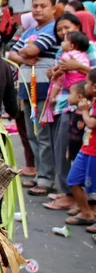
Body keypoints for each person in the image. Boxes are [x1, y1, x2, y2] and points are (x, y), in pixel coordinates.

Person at [43, 13, 96, 210]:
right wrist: (53, 74)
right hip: (61, 104)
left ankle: (74, 195)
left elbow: (93, 75)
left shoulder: (89, 48)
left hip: (79, 106)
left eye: (67, 28)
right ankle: (68, 191)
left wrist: (78, 66)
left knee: (70, 148)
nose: (63, 33)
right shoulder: (62, 51)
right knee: (60, 147)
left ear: (78, 26)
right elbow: (57, 76)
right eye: (60, 30)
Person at [9, 0, 59, 196]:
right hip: (27, 89)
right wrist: (22, 55)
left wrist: (22, 54)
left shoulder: (54, 28)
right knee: (32, 134)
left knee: (44, 135)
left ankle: (47, 178)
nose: (38, 9)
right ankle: (40, 173)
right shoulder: (30, 31)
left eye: (43, 6)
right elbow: (11, 53)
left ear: (53, 9)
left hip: (44, 89)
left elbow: (31, 51)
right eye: (35, 5)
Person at [64, 70, 96, 227]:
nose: (86, 86)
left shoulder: (90, 108)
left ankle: (89, 212)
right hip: (86, 149)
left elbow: (91, 124)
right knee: (73, 180)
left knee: (93, 188)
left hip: (94, 151)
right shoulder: (93, 103)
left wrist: (84, 112)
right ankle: (86, 212)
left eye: (88, 84)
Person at [49, 31, 90, 106]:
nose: (62, 43)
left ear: (71, 46)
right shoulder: (83, 54)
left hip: (73, 79)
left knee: (57, 82)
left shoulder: (68, 54)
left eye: (64, 41)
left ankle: (52, 97)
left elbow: (62, 68)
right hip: (82, 79)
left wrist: (55, 74)